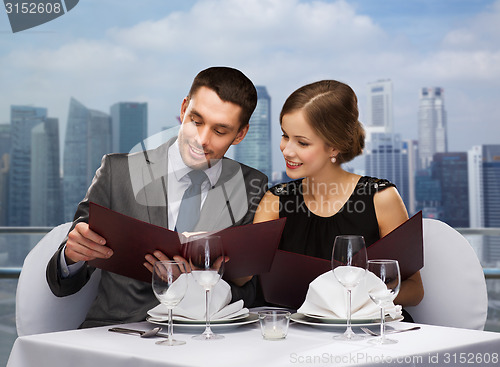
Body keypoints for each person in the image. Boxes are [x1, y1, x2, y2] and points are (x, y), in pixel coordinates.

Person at [46, 66, 268, 328]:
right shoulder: (117, 173)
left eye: (220, 131)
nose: (202, 139)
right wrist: (70, 257)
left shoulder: (252, 185)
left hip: (203, 340)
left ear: (240, 134)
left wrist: (202, 283)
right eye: (196, 121)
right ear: (184, 108)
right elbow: (62, 284)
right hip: (116, 336)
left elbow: (252, 293)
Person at [253, 80, 424, 315]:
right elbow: (251, 279)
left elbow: (414, 290)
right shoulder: (274, 201)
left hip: (370, 333)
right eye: (285, 136)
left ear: (334, 147)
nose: (287, 150)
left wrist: (357, 300)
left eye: (302, 142)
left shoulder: (381, 199)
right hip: (300, 335)